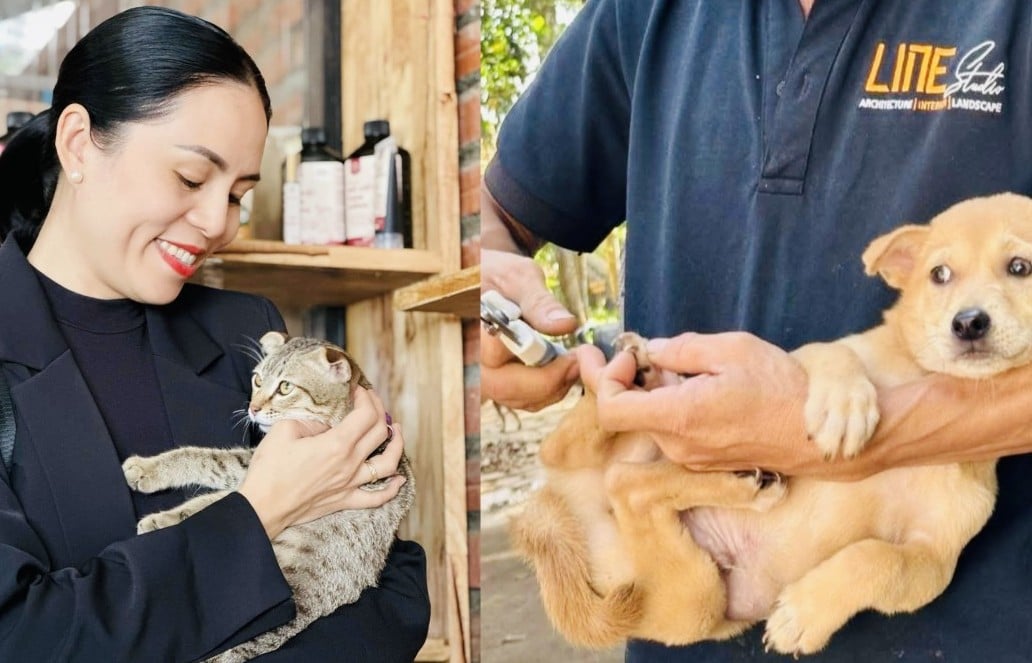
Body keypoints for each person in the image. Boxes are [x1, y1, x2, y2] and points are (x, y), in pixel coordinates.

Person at [482, 0, 1032, 660]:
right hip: (694, 618)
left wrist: (831, 428)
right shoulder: (641, 14)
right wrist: (489, 284)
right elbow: (495, 214)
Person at [0, 6, 429, 661]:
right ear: (79, 143)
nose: (216, 223)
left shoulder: (247, 330)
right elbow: (24, 633)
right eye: (192, 178)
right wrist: (260, 513)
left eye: (237, 195)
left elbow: (391, 585)